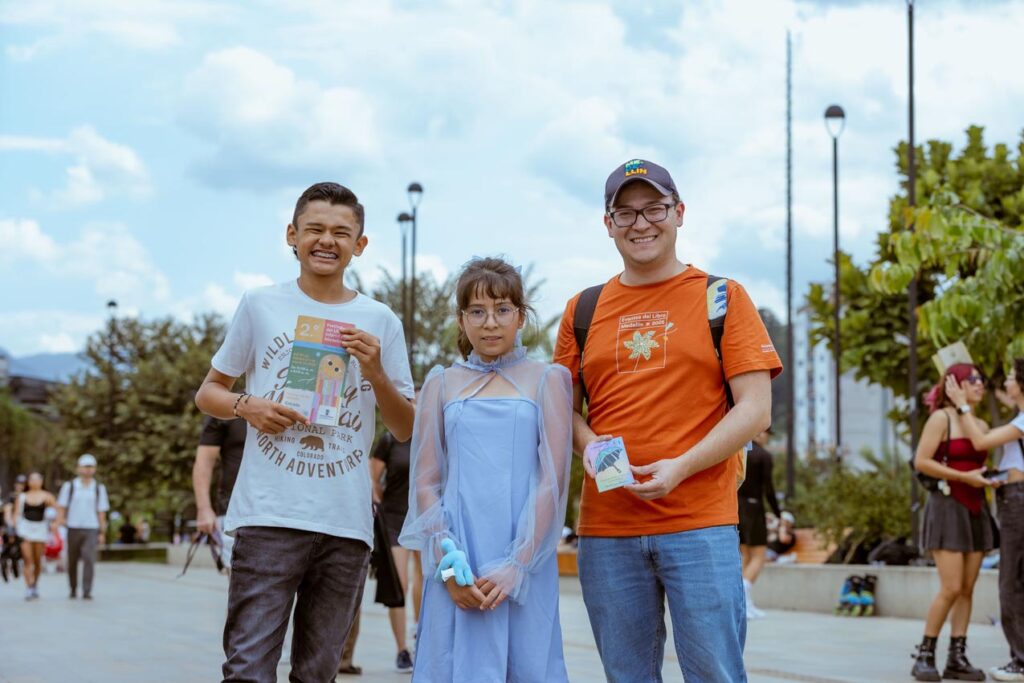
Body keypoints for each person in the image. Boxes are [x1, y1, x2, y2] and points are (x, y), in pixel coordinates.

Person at [553, 159, 781, 682]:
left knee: (715, 674)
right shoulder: (582, 309)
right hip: (608, 529)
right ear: (607, 223)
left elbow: (755, 408)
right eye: (625, 212)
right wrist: (594, 448)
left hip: (700, 524)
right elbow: (561, 409)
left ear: (678, 213)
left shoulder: (721, 297)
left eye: (653, 208)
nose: (641, 223)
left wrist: (680, 466)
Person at [195, 181, 414, 683]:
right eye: (314, 229)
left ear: (360, 244)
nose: (326, 241)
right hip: (270, 514)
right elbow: (209, 392)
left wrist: (376, 371)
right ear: (291, 236)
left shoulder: (379, 320)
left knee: (318, 673)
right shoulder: (260, 304)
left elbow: (405, 428)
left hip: (346, 522)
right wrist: (248, 406)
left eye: (342, 232)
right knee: (248, 667)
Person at [400, 257, 573, 683]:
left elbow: (553, 479)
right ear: (461, 320)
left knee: (528, 664)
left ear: (520, 316)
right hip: (459, 550)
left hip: (524, 554)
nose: (490, 323)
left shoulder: (547, 379)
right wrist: (447, 564)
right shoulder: (440, 383)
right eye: (476, 311)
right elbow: (425, 481)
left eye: (502, 310)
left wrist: (519, 563)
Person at [911, 363, 996, 682]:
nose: (980, 385)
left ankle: (956, 657)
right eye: (973, 379)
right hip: (948, 506)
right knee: (950, 587)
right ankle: (924, 654)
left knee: (967, 589)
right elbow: (922, 461)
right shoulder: (940, 419)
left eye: (981, 380)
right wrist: (963, 477)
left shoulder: (981, 423)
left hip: (976, 507)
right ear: (954, 384)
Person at [947, 360, 1024, 682]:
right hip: (1014, 499)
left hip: (1017, 501)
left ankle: (1020, 661)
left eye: (1010, 377)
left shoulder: (1021, 420)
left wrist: (961, 403)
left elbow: (980, 442)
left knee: (1012, 582)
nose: (1004, 382)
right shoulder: (1017, 417)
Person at [371, 427, 422, 673]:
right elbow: (373, 478)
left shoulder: (433, 435)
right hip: (394, 518)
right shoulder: (390, 439)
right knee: (399, 584)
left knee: (428, 580)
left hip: (425, 517)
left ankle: (421, 636)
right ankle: (402, 649)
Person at [192, 415, 247, 572]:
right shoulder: (226, 408)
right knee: (240, 582)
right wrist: (203, 509)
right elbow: (204, 462)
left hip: (287, 508)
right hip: (234, 511)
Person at [738, 427, 782, 619]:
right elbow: (769, 489)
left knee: (746, 554)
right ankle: (744, 598)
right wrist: (778, 513)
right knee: (759, 555)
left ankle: (744, 604)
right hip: (754, 509)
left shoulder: (739, 451)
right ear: (759, 434)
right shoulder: (763, 456)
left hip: (737, 508)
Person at [56, 454, 110, 600]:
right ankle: (73, 588)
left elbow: (101, 512)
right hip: (72, 526)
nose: (87, 470)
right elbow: (61, 506)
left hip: (91, 527)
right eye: (85, 467)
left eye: (90, 467)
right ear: (79, 468)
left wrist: (102, 531)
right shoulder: (70, 486)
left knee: (89, 559)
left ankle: (87, 590)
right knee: (72, 560)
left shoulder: (98, 488)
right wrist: (60, 520)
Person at [13, 472, 57, 600]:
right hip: (25, 529)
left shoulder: (47, 497)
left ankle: (34, 584)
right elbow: (17, 514)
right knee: (28, 559)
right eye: (32, 479)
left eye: (38, 479)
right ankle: (28, 586)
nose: (35, 482)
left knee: (37, 561)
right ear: (28, 482)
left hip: (40, 530)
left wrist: (55, 524)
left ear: (42, 481)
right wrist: (16, 528)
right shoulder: (22, 497)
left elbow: (57, 512)